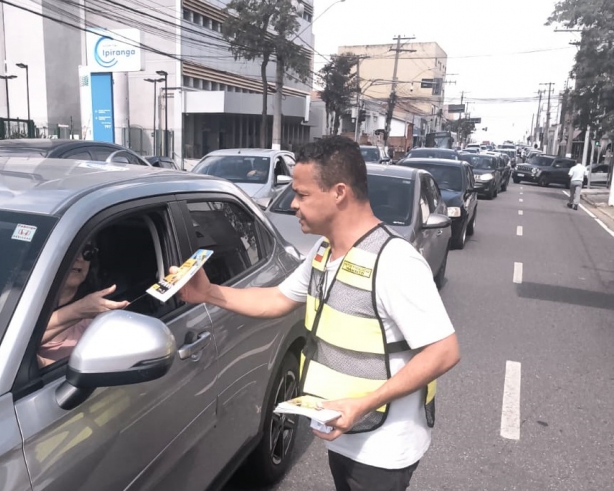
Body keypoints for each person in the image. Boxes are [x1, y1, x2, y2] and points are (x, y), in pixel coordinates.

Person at [175, 135, 460, 490]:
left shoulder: (395, 262)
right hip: (343, 430)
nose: (294, 204)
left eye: (303, 194)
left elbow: (444, 351)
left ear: (339, 192)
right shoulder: (325, 252)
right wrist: (209, 293)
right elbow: (276, 300)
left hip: (382, 446)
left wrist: (363, 405)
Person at [37, 242, 129, 368]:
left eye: (87, 252)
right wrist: (78, 310)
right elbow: (11, 344)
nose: (80, 258)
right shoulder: (16, 300)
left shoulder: (100, 308)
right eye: (71, 249)